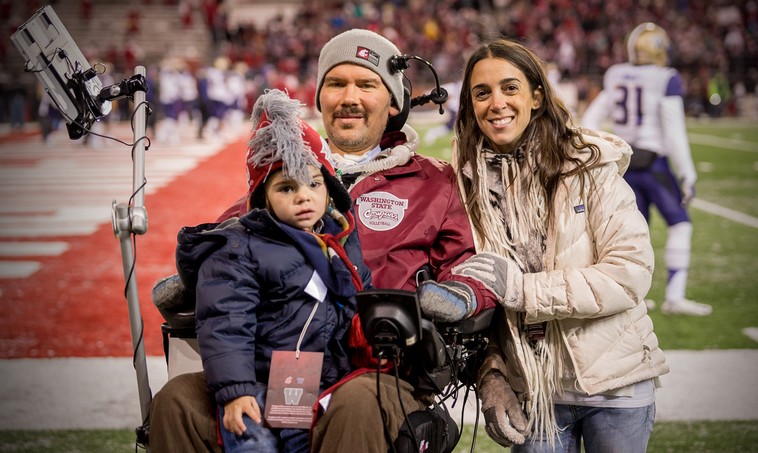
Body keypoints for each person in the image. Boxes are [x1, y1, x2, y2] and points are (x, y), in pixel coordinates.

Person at [148, 28, 497, 453]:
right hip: (278, 366)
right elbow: (232, 241)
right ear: (320, 98)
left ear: (394, 101)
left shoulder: (436, 183)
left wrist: (460, 293)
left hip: (380, 369)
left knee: (356, 403)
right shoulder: (291, 173)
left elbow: (473, 263)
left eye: (366, 84)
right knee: (178, 401)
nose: (349, 97)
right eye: (336, 83)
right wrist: (196, 275)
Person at [447, 38, 669, 452]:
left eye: (510, 88)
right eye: (482, 93)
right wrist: (491, 374)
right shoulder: (465, 185)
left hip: (613, 385)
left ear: (536, 96)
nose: (497, 103)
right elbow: (484, 298)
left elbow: (629, 274)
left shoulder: (590, 167)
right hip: (533, 392)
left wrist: (524, 291)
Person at [176, 89, 372, 453]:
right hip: (259, 385)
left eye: (315, 184)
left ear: (330, 190)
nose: (303, 196)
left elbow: (357, 301)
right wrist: (236, 391)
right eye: (286, 187)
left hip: (320, 384)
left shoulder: (341, 240)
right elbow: (226, 323)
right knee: (256, 446)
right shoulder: (239, 248)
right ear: (262, 197)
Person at [581, 22, 712, 316]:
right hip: (655, 165)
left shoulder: (615, 73)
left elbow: (591, 117)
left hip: (624, 164)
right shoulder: (666, 77)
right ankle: (675, 297)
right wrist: (687, 173)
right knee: (680, 224)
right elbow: (674, 130)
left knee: (632, 235)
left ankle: (633, 298)